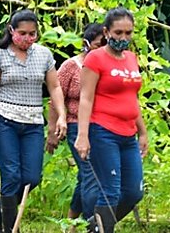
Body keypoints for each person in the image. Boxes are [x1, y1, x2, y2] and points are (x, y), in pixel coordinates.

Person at [0, 9, 67, 233]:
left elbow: (55, 86)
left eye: (32, 34)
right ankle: (10, 228)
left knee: (31, 176)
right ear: (11, 31)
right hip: (5, 120)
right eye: (22, 33)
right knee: (11, 175)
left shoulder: (44, 55)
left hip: (32, 122)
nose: (27, 38)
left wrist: (61, 116)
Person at [74, 7, 149, 233]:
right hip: (102, 131)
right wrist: (83, 135)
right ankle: (102, 230)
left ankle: (94, 228)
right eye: (118, 33)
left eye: (128, 33)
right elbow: (85, 98)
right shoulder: (95, 58)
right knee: (111, 189)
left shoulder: (131, 59)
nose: (123, 38)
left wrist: (143, 132)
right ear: (106, 32)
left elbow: (132, 98)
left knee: (134, 191)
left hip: (128, 133)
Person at [47, 22, 106, 221]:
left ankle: (72, 221)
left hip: (101, 127)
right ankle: (91, 222)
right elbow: (56, 99)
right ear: (86, 43)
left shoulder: (109, 66)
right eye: (99, 43)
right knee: (91, 174)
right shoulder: (71, 67)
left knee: (86, 176)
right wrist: (52, 130)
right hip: (75, 126)